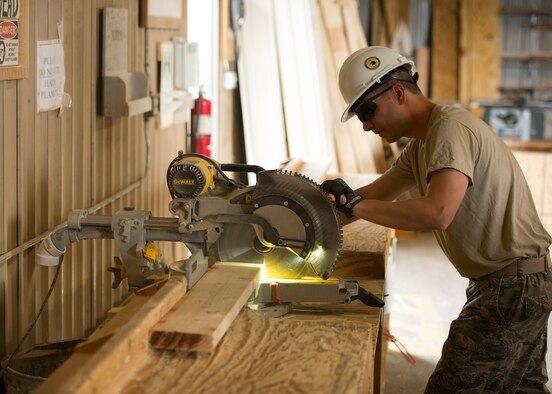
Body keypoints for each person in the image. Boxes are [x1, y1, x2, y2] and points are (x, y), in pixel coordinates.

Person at [322, 46, 552, 393]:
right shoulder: (422, 145)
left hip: (511, 288)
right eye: (360, 117)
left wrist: (354, 207)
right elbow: (377, 193)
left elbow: (437, 212)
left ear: (398, 92)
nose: (367, 125)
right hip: (513, 282)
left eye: (368, 111)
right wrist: (314, 214)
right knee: (523, 388)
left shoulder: (450, 129)